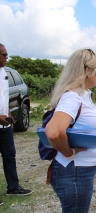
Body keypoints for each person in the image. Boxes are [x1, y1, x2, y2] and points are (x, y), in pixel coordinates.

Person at [45, 48, 96, 212]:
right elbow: (54, 132)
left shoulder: (82, 96)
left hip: (79, 171)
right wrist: (68, 152)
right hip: (75, 172)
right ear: (87, 70)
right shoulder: (72, 97)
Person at [0, 43, 32, 206]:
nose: (7, 57)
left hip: (4, 127)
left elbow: (5, 100)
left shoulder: (4, 74)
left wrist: (10, 117)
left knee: (10, 156)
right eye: (3, 54)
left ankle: (13, 187)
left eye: (7, 54)